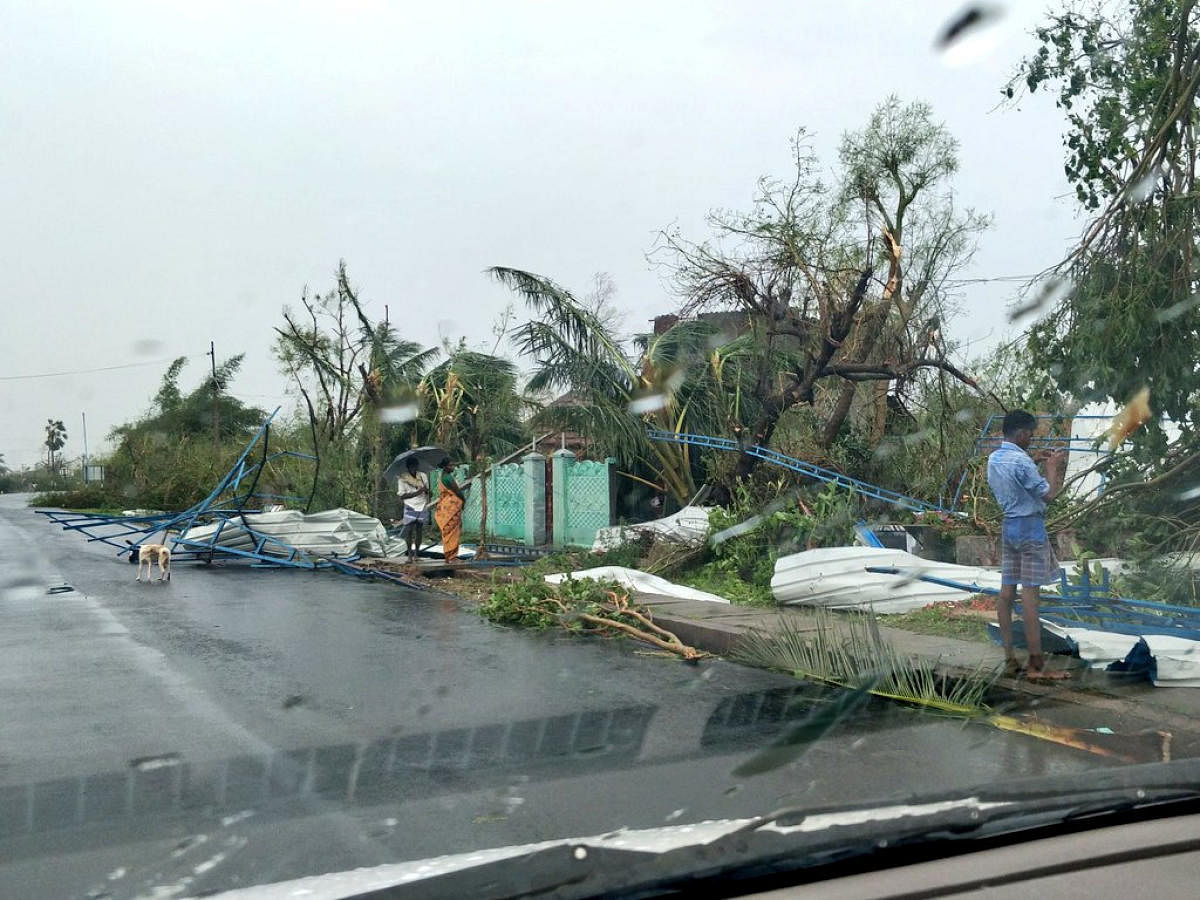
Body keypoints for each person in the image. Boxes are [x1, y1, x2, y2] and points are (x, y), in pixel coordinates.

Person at [986, 409, 1070, 681]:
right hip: (1030, 528)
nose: (1032, 440)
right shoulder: (1022, 463)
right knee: (1030, 598)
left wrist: (1033, 459)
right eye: (1031, 435)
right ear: (1022, 433)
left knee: (1006, 594)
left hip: (1009, 527)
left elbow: (1015, 473)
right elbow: (1048, 495)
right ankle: (1036, 667)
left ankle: (1010, 659)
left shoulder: (995, 458)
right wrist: (1052, 467)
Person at [433, 456, 468, 562]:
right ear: (445, 467)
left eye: (453, 465)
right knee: (452, 531)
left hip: (445, 506)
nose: (453, 467)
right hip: (451, 507)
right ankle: (451, 557)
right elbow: (457, 491)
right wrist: (463, 500)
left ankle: (449, 555)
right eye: (450, 465)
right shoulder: (448, 477)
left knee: (448, 532)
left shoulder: (442, 476)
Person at [397, 456, 431, 562]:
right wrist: (418, 492)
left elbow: (428, 492)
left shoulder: (423, 476)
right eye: (411, 467)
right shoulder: (403, 478)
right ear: (408, 467)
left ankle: (417, 554)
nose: (414, 468)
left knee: (419, 530)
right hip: (410, 506)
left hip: (422, 505)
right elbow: (402, 496)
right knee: (409, 530)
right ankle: (410, 556)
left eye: (415, 466)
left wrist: (427, 491)